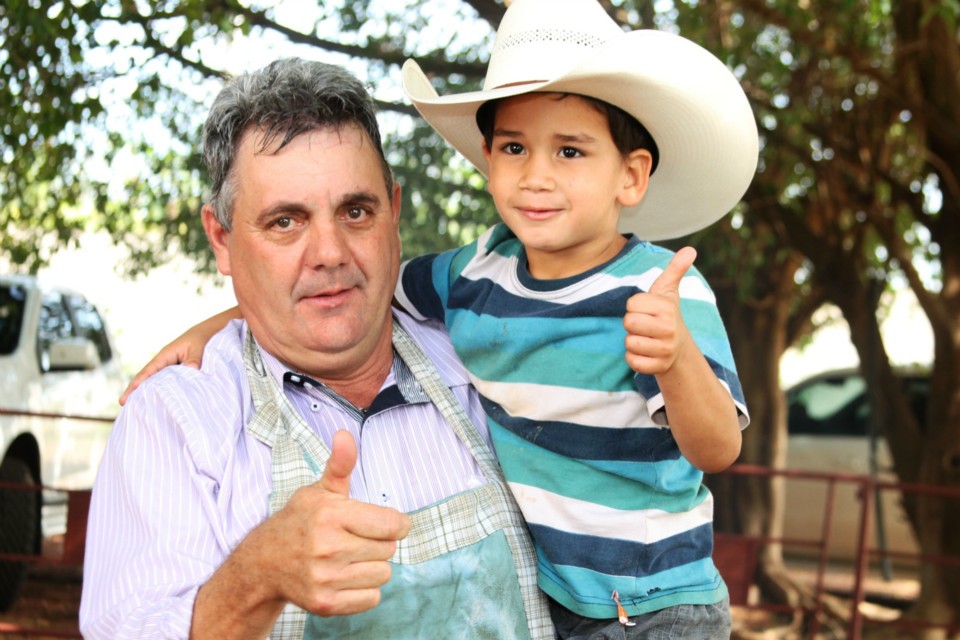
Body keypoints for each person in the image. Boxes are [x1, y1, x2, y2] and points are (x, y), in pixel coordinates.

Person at [123, 0, 758, 637]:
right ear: (489, 162)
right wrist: (221, 319)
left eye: (570, 151)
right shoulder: (474, 276)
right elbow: (348, 286)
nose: (536, 175)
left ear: (631, 174)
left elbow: (717, 448)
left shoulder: (660, 292)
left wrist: (675, 360)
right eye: (515, 147)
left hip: (659, 604)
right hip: (566, 602)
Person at [79, 57, 554, 639]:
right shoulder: (175, 423)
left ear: (394, 214)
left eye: (356, 211)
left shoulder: (488, 362)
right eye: (285, 221)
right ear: (221, 239)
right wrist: (256, 576)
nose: (329, 251)